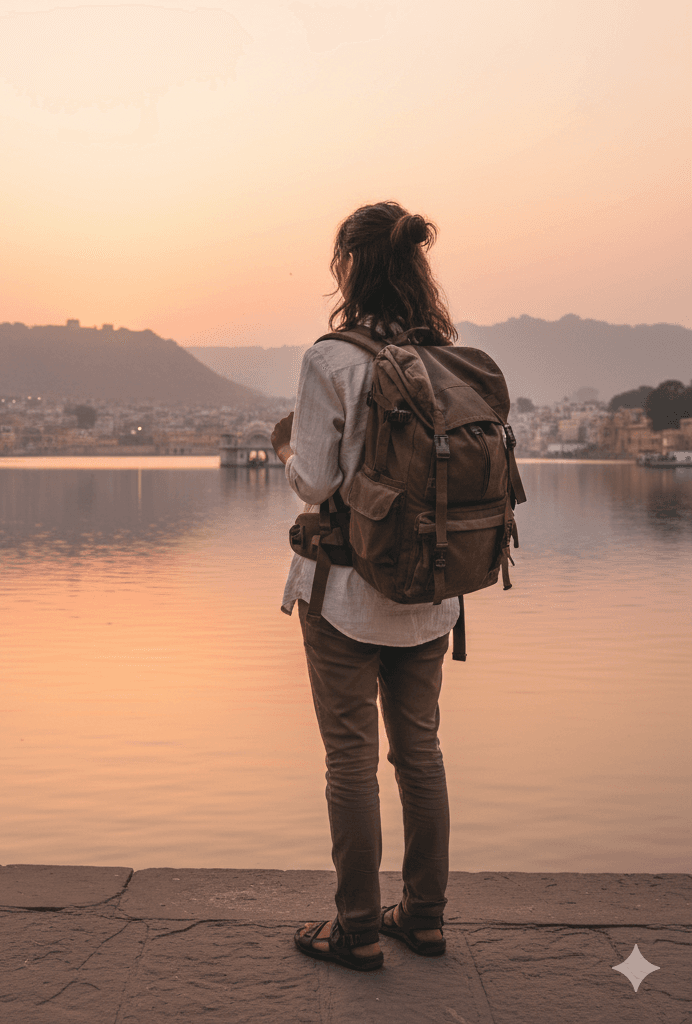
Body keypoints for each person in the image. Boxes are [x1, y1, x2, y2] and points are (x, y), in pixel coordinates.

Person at [271, 201, 459, 972]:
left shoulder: (332, 361)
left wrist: (285, 446)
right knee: (421, 753)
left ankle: (355, 927)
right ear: (415, 267)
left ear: (349, 267)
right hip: (430, 593)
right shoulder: (445, 356)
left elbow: (314, 481)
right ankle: (424, 916)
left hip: (345, 595)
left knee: (349, 759)